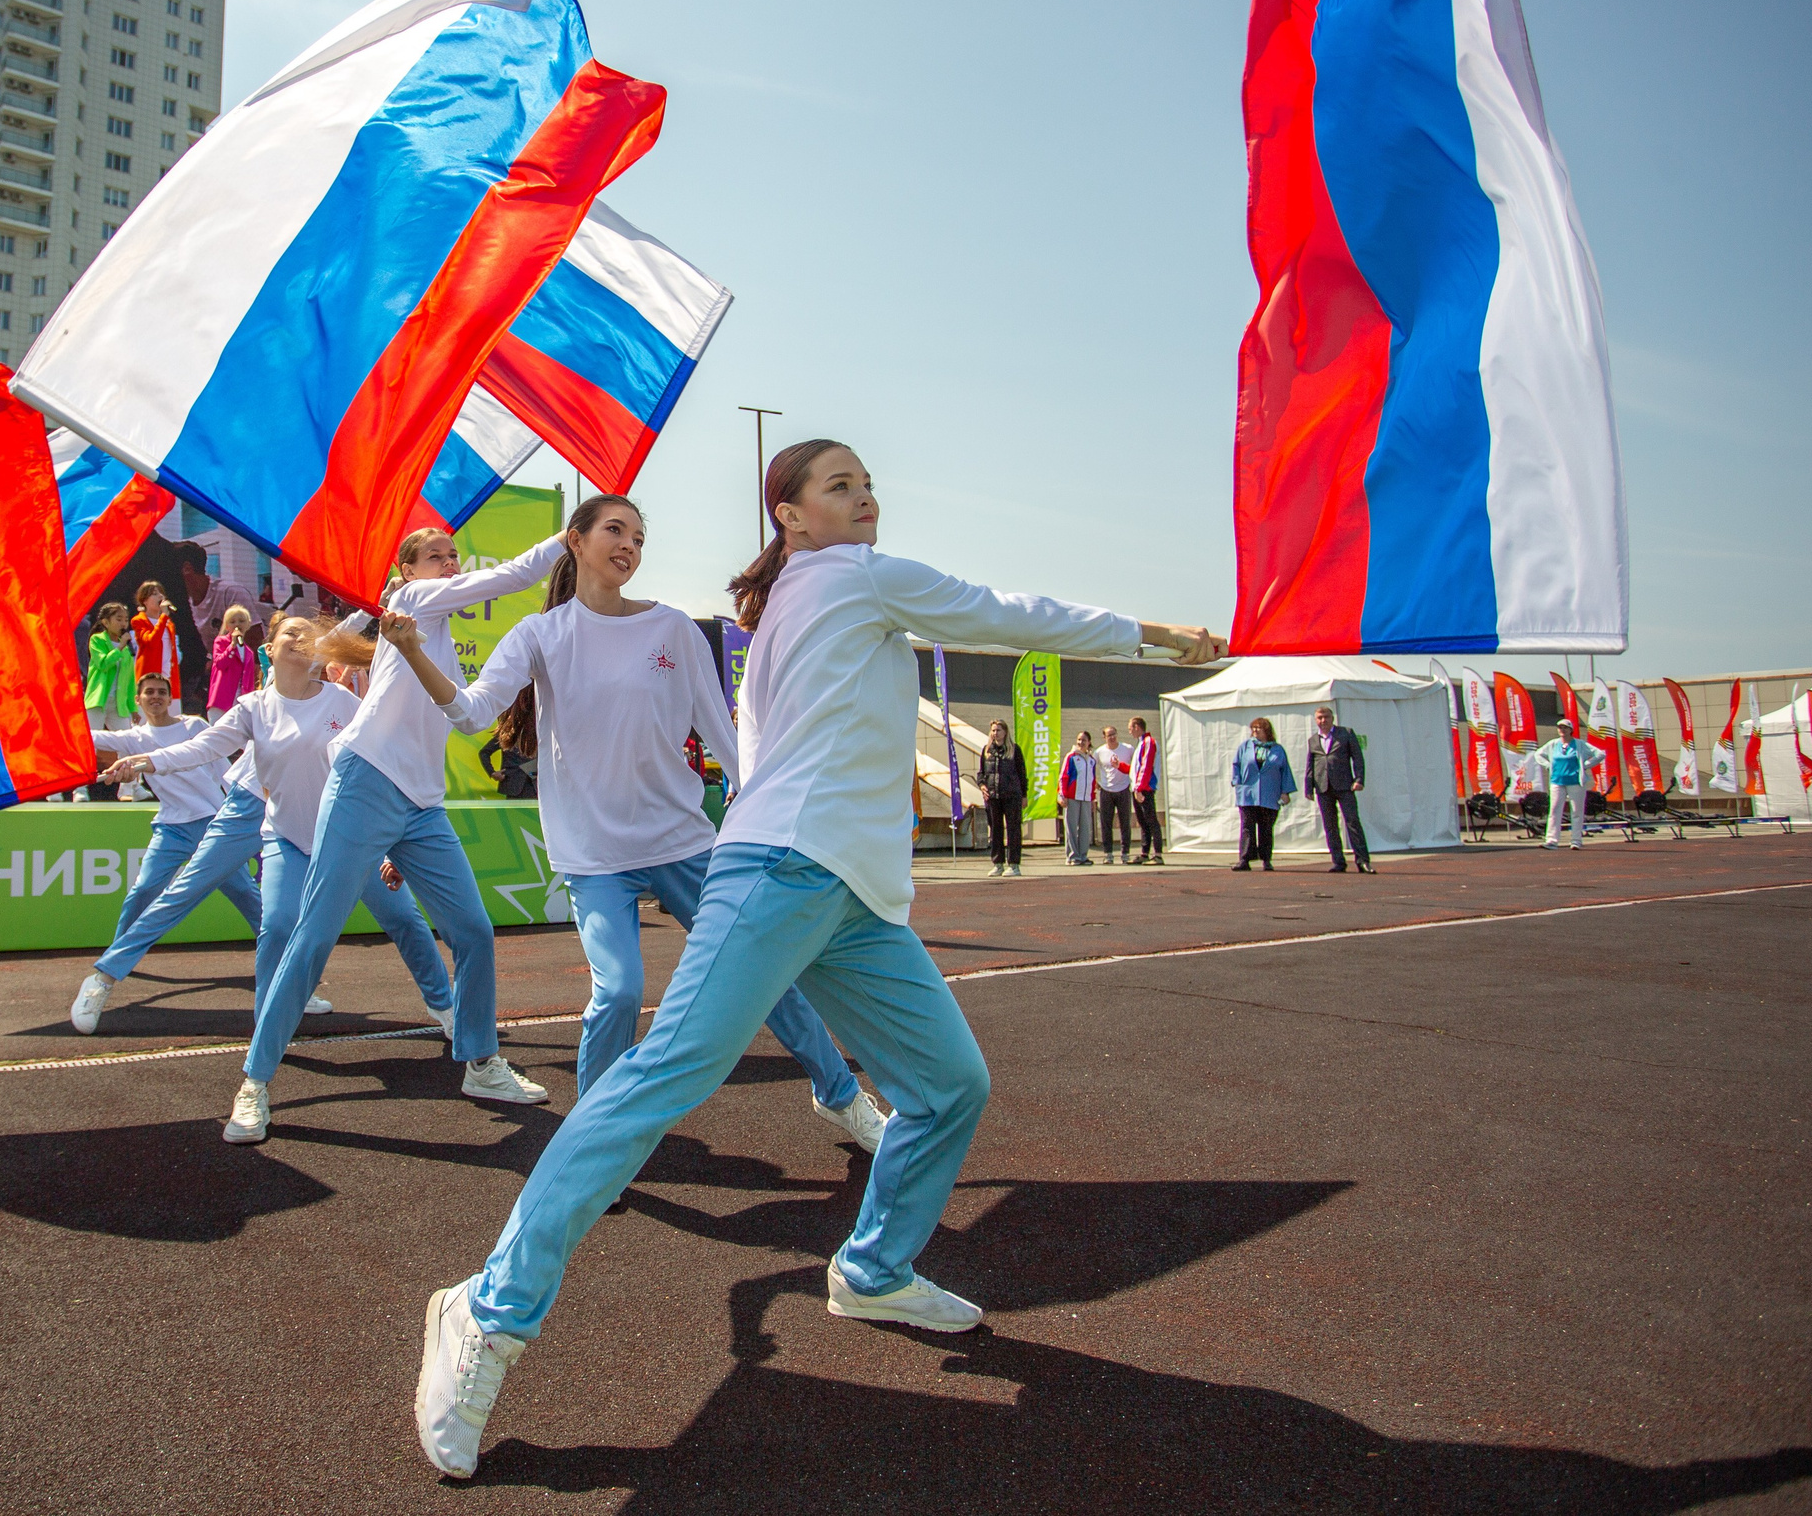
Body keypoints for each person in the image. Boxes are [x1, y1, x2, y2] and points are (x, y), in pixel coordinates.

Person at [412, 438, 1222, 1478]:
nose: (866, 497)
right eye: (840, 485)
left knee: (946, 1086)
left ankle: (874, 1269)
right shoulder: (848, 576)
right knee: (663, 1080)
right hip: (783, 868)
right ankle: (486, 1310)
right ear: (789, 514)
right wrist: (1162, 639)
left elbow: (763, 734)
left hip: (852, 893)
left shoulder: (785, 597)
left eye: (868, 483)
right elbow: (1011, 612)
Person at [389, 493, 890, 1149]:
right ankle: (595, 1140)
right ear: (577, 541)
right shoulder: (542, 634)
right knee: (620, 990)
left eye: (639, 537)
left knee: (763, 969)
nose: (628, 544)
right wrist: (414, 654)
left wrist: (763, 803)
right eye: (615, 530)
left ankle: (841, 1095)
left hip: (683, 842)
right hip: (594, 857)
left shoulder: (673, 628)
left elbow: (722, 729)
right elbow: (472, 713)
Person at [214, 527, 571, 1144]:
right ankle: (254, 1081)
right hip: (364, 784)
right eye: (436, 556)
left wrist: (400, 841)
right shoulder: (416, 600)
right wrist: (568, 535)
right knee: (313, 935)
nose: (451, 563)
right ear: (405, 571)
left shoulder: (427, 626)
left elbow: (457, 718)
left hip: (422, 805)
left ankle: (481, 1063)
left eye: (454, 555)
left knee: (474, 932)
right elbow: (512, 574)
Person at [78, 622, 459, 1039]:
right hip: (256, 806)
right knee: (193, 891)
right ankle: (104, 977)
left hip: (340, 827)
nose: (299, 640)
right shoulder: (254, 705)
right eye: (289, 635)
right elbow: (205, 746)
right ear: (269, 650)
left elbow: (379, 765)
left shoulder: (344, 702)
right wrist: (145, 761)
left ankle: (444, 1005)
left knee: (402, 916)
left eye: (307, 636)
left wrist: (387, 847)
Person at [68, 670, 264, 1030]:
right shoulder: (135, 737)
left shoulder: (192, 726)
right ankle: (116, 958)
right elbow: (91, 736)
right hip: (171, 828)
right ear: (139, 701)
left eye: (161, 692)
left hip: (212, 824)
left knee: (248, 896)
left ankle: (282, 970)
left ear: (169, 697)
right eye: (149, 693)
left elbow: (222, 766)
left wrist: (234, 813)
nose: (155, 697)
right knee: (144, 890)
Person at [82, 601, 141, 803]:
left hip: (119, 703)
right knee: (89, 745)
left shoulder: (127, 648)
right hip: (98, 701)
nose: (123, 623)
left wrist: (133, 707)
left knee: (128, 743)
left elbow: (130, 679)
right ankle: (79, 789)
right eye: (118, 619)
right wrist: (121, 646)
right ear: (106, 622)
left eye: (125, 619)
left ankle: (130, 787)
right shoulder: (97, 639)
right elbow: (103, 663)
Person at [1305, 704, 1372, 874]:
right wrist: (1309, 787)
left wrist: (1359, 779)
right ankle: (1338, 861)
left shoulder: (1346, 733)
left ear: (1332, 718)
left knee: (1352, 822)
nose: (1323, 721)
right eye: (1319, 718)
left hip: (1344, 785)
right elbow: (1310, 765)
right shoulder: (1313, 740)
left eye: (1326, 717)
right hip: (1323, 787)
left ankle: (1363, 861)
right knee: (1330, 826)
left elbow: (1358, 758)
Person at [1230, 717, 1296, 871]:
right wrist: (1236, 781)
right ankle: (1245, 859)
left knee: (1266, 827)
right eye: (1253, 728)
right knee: (1247, 827)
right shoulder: (1245, 747)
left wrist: (1285, 792)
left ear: (1267, 730)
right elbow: (1236, 764)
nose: (1255, 731)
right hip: (1248, 793)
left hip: (1269, 794)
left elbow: (1285, 771)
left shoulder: (1277, 749)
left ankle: (1266, 859)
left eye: (1258, 728)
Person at [974, 719, 1030, 877]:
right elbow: (981, 773)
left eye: (998, 730)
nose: (995, 733)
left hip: (1011, 795)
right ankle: (997, 863)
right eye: (993, 730)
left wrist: (1024, 795)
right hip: (993, 796)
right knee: (995, 830)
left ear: (1005, 732)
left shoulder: (1014, 750)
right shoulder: (987, 750)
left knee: (1013, 829)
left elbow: (1022, 774)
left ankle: (1014, 864)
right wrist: (982, 785)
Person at [1534, 717, 1594, 850]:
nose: (1562, 730)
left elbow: (1599, 754)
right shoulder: (1553, 744)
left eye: (1565, 727)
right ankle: (1551, 840)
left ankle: (1576, 840)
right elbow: (1538, 754)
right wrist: (1548, 765)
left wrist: (1585, 765)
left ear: (1570, 730)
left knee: (1576, 811)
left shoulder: (1579, 744)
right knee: (1554, 809)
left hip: (1575, 782)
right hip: (1557, 781)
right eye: (1560, 727)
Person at [130, 581, 181, 702]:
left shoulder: (169, 624)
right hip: (150, 677)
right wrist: (163, 617)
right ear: (144, 600)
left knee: (172, 716)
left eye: (161, 593)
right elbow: (151, 642)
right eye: (154, 594)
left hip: (169, 677)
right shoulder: (138, 621)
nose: (160, 597)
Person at [207, 603, 257, 720]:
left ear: (248, 624)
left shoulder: (249, 652)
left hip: (240, 700)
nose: (237, 625)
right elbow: (220, 663)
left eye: (241, 621)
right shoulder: (221, 642)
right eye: (232, 622)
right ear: (227, 626)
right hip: (222, 699)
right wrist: (232, 646)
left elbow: (249, 679)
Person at [1125, 716, 1163, 865]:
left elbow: (1146, 767)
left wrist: (1140, 788)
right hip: (1137, 788)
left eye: (1130, 728)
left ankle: (1158, 854)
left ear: (1136, 727)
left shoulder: (1149, 742)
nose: (1130, 732)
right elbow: (1135, 769)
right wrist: (1120, 766)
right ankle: (1144, 852)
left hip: (1145, 788)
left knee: (1151, 819)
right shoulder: (1140, 743)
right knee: (1143, 821)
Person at [1094, 725, 1134, 865]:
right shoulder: (1099, 752)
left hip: (1123, 789)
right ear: (1104, 737)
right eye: (1109, 735)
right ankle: (1108, 854)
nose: (1112, 737)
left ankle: (1125, 854)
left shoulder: (1128, 749)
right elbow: (1091, 767)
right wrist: (1096, 783)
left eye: (1114, 734)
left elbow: (1136, 767)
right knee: (1106, 824)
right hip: (1106, 791)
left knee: (1125, 823)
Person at [1059, 731, 1100, 866]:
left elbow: (1093, 781)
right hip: (1072, 797)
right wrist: (1062, 795)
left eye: (1084, 740)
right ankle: (1072, 856)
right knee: (1071, 827)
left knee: (1085, 827)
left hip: (1086, 798)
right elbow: (1064, 777)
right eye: (1079, 740)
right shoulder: (1071, 757)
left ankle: (1083, 855)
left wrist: (1093, 798)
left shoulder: (1091, 760)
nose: (1081, 742)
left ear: (1089, 742)